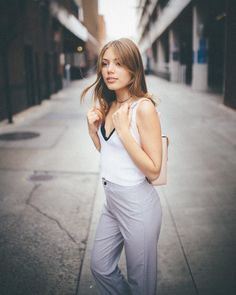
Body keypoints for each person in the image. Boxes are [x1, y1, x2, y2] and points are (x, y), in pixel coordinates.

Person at [81, 38, 163, 295]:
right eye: (105, 64)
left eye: (118, 63)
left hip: (138, 206)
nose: (109, 70)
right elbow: (111, 155)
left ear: (133, 68)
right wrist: (93, 132)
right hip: (112, 202)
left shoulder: (143, 108)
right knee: (100, 267)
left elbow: (153, 169)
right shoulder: (110, 105)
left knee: (142, 283)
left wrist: (126, 133)